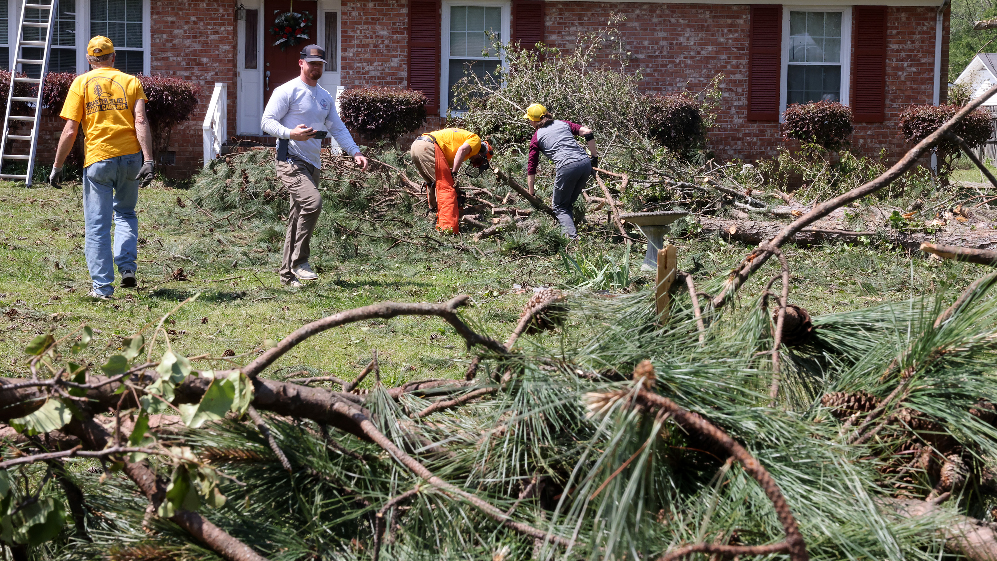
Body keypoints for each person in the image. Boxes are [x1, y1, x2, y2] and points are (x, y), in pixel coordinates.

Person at [50, 36, 155, 299]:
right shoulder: (131, 82)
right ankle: (128, 268)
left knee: (97, 224)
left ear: (89, 59)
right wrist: (149, 160)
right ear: (113, 57)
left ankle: (102, 288)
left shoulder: (81, 83)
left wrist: (57, 165)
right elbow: (140, 120)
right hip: (131, 158)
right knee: (126, 213)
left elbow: (70, 129)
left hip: (98, 160)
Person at [261, 44, 368, 288]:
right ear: (301, 63)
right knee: (313, 203)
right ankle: (301, 261)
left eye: (320, 64)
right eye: (312, 63)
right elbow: (266, 122)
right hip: (289, 159)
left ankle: (287, 276)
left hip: (313, 162)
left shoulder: (324, 97)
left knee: (297, 217)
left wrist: (355, 152)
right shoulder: (287, 91)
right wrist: (290, 133)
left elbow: (337, 128)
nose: (316, 67)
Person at [524, 103, 599, 240]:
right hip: (585, 164)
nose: (529, 121)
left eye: (529, 119)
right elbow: (587, 132)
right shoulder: (563, 123)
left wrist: (531, 192)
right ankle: (570, 230)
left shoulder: (536, 137)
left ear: (534, 121)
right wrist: (594, 157)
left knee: (559, 207)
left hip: (567, 167)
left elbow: (531, 167)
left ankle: (570, 241)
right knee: (567, 203)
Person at [410, 128, 492, 234]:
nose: (474, 162)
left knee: (433, 184)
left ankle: (433, 219)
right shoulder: (476, 140)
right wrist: (454, 174)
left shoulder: (456, 146)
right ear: (482, 153)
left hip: (417, 146)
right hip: (429, 146)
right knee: (447, 189)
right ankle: (447, 229)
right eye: (478, 160)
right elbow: (462, 150)